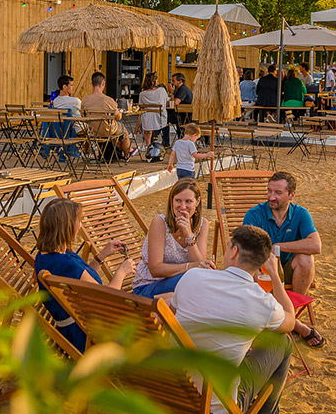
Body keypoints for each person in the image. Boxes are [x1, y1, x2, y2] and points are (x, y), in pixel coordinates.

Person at [171, 226, 295, 414]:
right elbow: (290, 320)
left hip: (173, 392)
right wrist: (275, 276)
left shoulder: (192, 276)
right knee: (283, 342)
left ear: (234, 252)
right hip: (214, 405)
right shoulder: (261, 301)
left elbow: (172, 318)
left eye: (228, 246)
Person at [35, 199, 135, 352]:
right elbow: (107, 299)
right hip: (86, 335)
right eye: (79, 221)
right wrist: (122, 272)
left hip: (71, 327)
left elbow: (83, 280)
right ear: (67, 228)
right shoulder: (67, 264)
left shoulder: (45, 257)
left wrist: (102, 256)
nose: (80, 226)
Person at [243, 171, 325, 348]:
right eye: (269, 191)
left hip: (287, 269)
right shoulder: (255, 214)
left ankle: (289, 316)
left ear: (292, 195)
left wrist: (277, 247)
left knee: (306, 259)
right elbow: (247, 252)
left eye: (278, 193)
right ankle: (294, 324)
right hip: (262, 271)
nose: (271, 197)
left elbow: (316, 246)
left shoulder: (300, 214)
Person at [132, 178, 214, 298]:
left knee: (199, 280)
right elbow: (155, 269)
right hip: (148, 286)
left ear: (197, 202)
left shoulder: (202, 225)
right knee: (194, 281)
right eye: (178, 200)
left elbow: (200, 267)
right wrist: (189, 267)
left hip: (182, 286)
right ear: (172, 201)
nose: (183, 206)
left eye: (188, 201)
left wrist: (189, 234)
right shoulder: (160, 223)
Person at [80, 72, 135, 161]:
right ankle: (126, 154)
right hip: (108, 130)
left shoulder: (85, 100)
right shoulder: (109, 100)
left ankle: (118, 152)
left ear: (91, 84)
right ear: (103, 83)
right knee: (123, 130)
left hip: (93, 131)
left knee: (115, 134)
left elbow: (83, 117)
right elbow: (119, 117)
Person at [139, 72, 168, 151]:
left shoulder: (142, 94)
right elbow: (166, 102)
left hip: (147, 120)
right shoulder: (161, 90)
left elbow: (141, 106)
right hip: (160, 119)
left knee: (147, 116)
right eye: (156, 80)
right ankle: (165, 142)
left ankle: (147, 144)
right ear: (153, 82)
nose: (157, 82)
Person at [163, 72, 194, 146]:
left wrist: (171, 93)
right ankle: (164, 140)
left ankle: (162, 140)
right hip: (180, 116)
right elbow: (170, 103)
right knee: (164, 118)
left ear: (180, 82)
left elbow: (175, 103)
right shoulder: (178, 89)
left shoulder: (183, 89)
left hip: (185, 117)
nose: (171, 83)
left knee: (164, 118)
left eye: (173, 81)